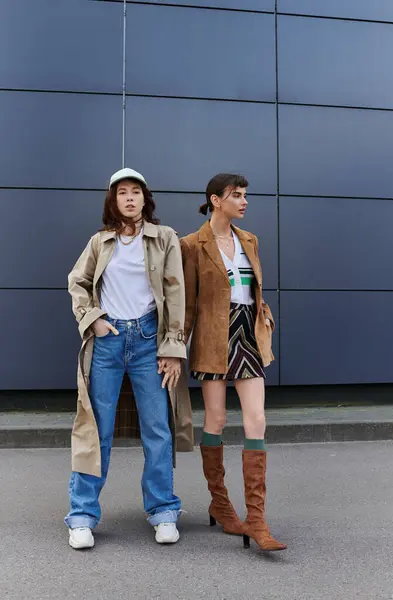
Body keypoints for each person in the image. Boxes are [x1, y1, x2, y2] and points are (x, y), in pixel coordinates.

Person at [65, 167, 193, 549]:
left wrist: (172, 348)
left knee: (157, 428)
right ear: (113, 200)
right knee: (95, 429)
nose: (130, 198)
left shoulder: (164, 237)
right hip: (108, 341)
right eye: (122, 192)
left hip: (148, 341)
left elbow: (175, 292)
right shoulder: (100, 241)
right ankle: (82, 517)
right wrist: (94, 320)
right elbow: (78, 282)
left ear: (145, 198)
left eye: (136, 191)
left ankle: (164, 511)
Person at [180, 173, 287, 552]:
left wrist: (265, 314)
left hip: (247, 333)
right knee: (217, 419)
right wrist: (177, 346)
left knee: (257, 418)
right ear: (215, 200)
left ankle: (256, 518)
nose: (243, 201)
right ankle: (221, 503)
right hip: (212, 335)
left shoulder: (249, 240)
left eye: (245, 195)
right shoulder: (191, 245)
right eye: (236, 195)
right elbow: (187, 303)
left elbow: (254, 288)